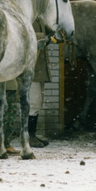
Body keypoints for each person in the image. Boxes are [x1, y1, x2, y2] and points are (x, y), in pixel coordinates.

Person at [28, 20, 52, 148]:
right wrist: (43, 37)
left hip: (40, 67)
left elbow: (47, 35)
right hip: (32, 68)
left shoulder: (40, 18)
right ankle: (29, 136)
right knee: (34, 102)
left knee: (38, 102)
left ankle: (32, 134)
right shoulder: (29, 17)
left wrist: (52, 33)